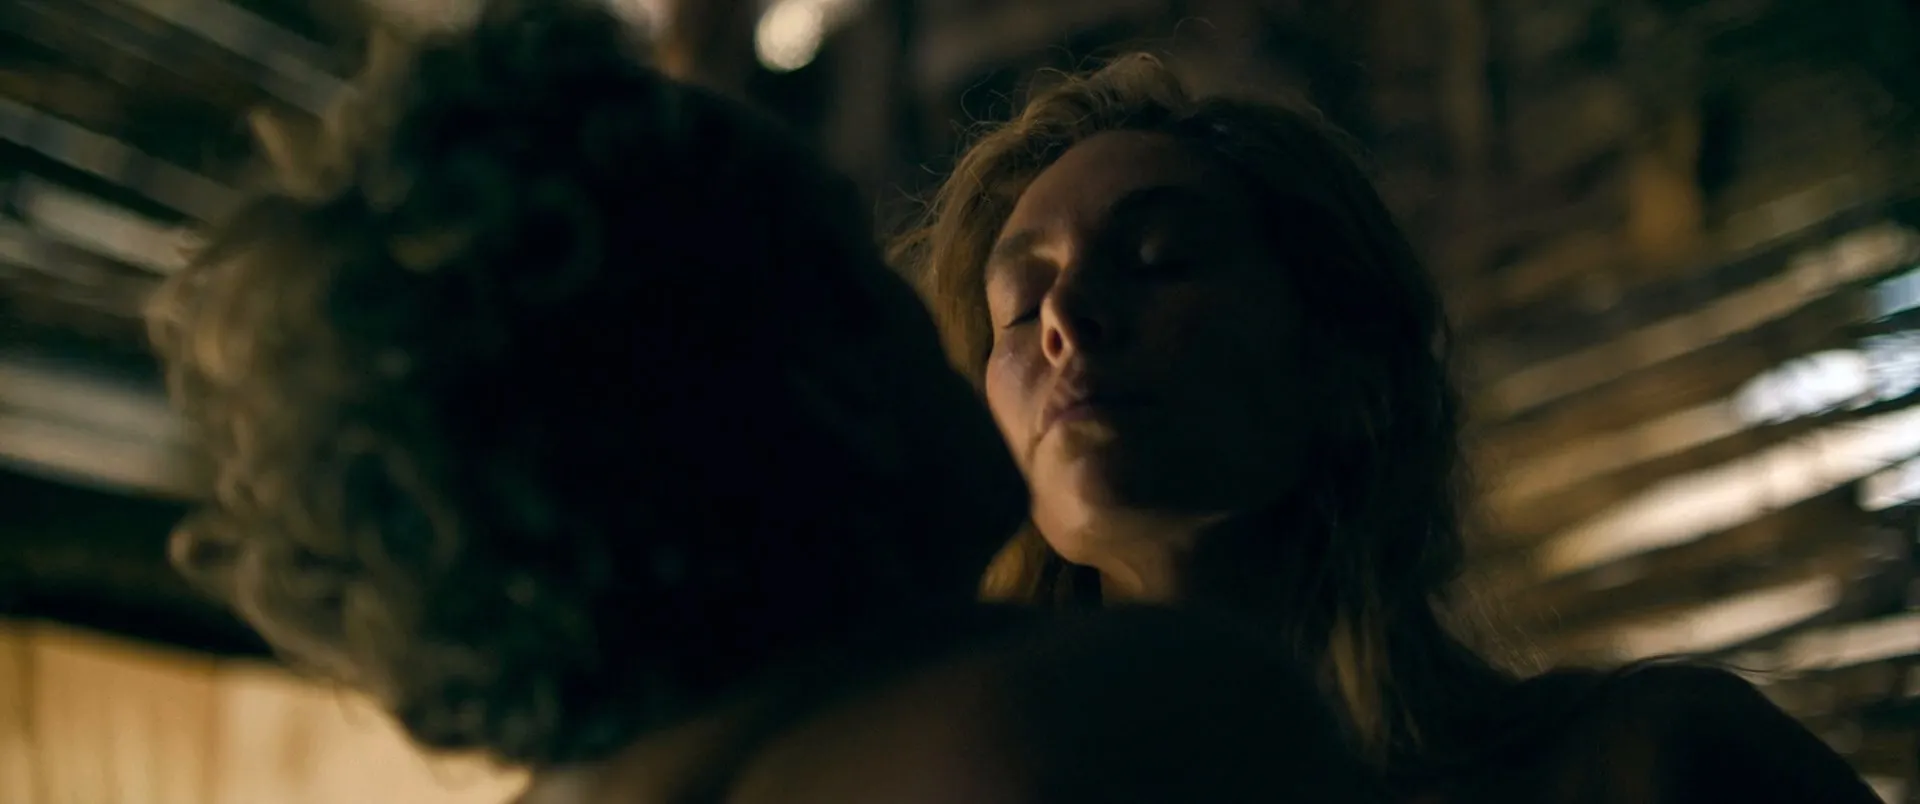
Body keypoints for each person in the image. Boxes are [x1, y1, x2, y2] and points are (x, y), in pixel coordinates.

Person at [145, 4, 1379, 802]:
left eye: (1160, 260)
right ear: (792, 374)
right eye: (849, 248)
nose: (928, 311)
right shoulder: (1099, 731)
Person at [897, 53, 1882, 803]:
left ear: (1346, 359)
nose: (1068, 318)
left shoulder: (1654, 766)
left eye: (1160, 257)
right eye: (1020, 305)